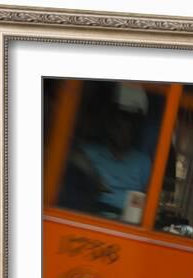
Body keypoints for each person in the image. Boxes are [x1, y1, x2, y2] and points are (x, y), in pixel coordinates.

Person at [59, 83, 151, 219]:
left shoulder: (143, 163)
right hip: (89, 216)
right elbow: (66, 155)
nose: (122, 131)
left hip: (127, 224)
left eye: (128, 126)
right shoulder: (88, 152)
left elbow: (148, 201)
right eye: (118, 125)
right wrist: (90, 173)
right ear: (109, 125)